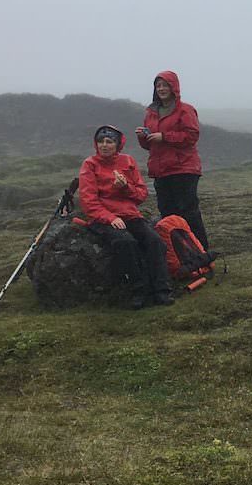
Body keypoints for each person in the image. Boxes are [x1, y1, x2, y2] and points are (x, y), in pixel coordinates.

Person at [79, 125, 174, 308]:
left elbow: (141, 195)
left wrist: (125, 187)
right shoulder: (90, 165)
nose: (104, 145)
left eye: (109, 141)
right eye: (101, 141)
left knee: (155, 242)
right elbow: (89, 201)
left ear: (117, 144)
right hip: (103, 218)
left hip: (130, 214)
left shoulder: (127, 161)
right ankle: (138, 291)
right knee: (125, 243)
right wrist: (110, 218)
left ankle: (162, 290)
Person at [135, 70, 209, 250]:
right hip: (161, 171)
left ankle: (201, 251)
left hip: (183, 169)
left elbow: (192, 136)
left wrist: (165, 136)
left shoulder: (185, 109)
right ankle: (180, 253)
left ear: (174, 87)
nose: (161, 89)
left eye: (165, 85)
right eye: (158, 85)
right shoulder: (151, 112)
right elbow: (149, 146)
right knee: (167, 214)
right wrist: (144, 137)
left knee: (188, 213)